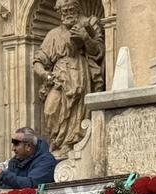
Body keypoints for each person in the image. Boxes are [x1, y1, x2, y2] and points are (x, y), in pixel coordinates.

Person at [32, 0, 104, 155]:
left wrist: (86, 38)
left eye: (71, 10)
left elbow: (97, 52)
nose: (68, 14)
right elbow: (38, 61)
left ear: (77, 10)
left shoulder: (86, 27)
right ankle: (57, 142)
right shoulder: (53, 35)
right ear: (59, 13)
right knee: (50, 110)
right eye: (64, 11)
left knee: (77, 109)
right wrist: (46, 74)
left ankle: (72, 143)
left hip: (79, 72)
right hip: (58, 77)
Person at [0, 127, 57, 193]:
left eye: (16, 144)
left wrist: (1, 174)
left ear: (28, 146)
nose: (13, 149)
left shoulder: (46, 161)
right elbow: (7, 187)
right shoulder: (15, 161)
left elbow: (31, 184)